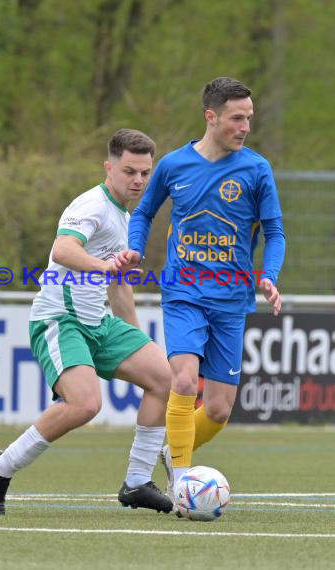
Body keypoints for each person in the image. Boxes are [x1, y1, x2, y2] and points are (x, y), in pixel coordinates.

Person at [0, 128, 173, 515]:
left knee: (163, 377)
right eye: (129, 171)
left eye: (145, 173)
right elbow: (64, 249)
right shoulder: (92, 206)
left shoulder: (125, 216)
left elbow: (119, 285)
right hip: (60, 320)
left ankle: (136, 482)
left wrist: (136, 340)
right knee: (86, 405)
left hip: (98, 323)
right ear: (109, 167)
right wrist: (103, 266)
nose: (137, 180)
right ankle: (1, 466)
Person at [115, 77, 286, 500]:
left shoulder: (256, 169)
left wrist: (270, 274)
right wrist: (135, 250)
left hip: (231, 299)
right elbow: (143, 214)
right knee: (185, 379)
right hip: (183, 293)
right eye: (236, 118)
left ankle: (175, 453)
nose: (245, 126)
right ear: (211, 117)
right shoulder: (174, 165)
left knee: (219, 409)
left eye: (249, 118)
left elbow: (274, 231)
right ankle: (182, 484)